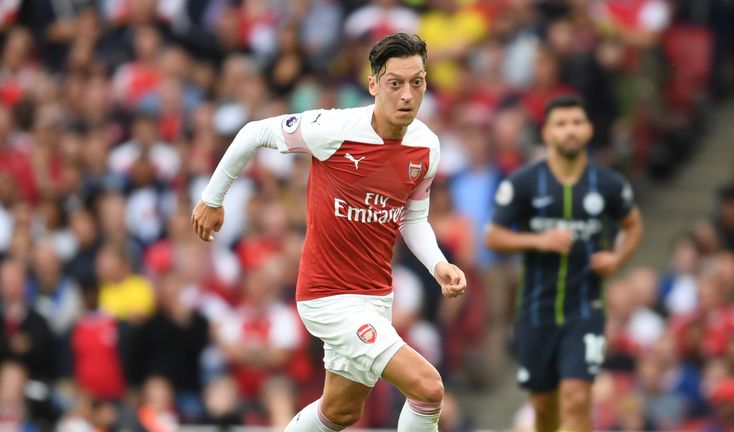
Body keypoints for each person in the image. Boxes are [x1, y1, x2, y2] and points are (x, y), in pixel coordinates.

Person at [191, 33, 467, 432]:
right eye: (395, 83)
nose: (407, 94)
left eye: (417, 82)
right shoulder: (334, 128)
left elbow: (412, 218)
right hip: (327, 297)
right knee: (427, 388)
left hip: (375, 296)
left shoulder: (426, 147)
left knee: (339, 412)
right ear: (373, 85)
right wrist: (212, 200)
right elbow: (253, 133)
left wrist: (438, 264)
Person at [484, 94, 643, 432]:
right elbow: (493, 236)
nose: (569, 130)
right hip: (535, 311)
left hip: (585, 309)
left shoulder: (609, 184)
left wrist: (617, 258)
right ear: (547, 133)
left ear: (588, 129)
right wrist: (537, 240)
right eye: (561, 124)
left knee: (576, 397)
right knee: (544, 408)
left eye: (576, 123)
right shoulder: (525, 182)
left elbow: (633, 225)